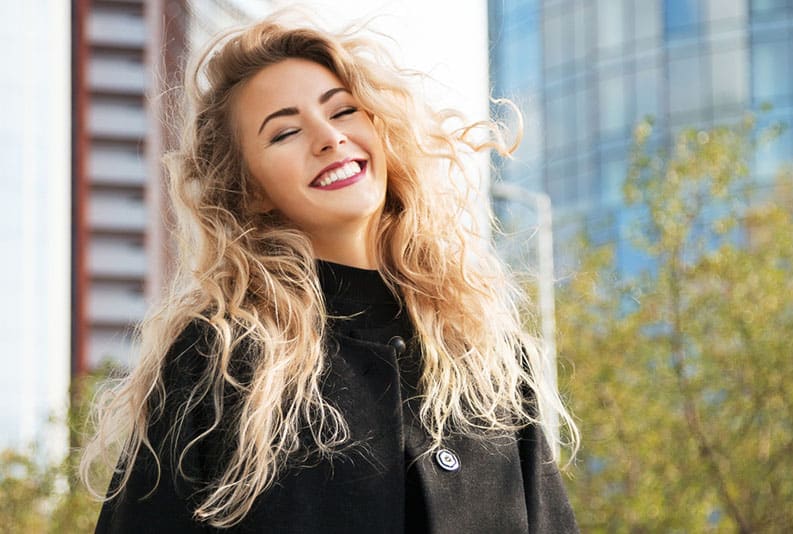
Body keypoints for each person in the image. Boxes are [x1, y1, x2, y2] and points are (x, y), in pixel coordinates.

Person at [82, 11, 579, 533]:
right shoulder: (223, 360)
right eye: (285, 133)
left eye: (343, 111)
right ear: (251, 189)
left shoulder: (489, 364)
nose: (328, 138)